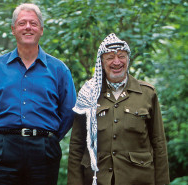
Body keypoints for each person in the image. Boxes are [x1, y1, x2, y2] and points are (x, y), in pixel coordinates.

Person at [0, 3, 76, 185]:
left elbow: (69, 112)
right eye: (22, 23)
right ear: (13, 29)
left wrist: (49, 138)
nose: (28, 27)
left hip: (44, 151)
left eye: (33, 23)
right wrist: (3, 137)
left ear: (41, 30)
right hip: (3, 150)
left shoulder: (59, 70)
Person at [67, 33, 170, 185]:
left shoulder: (147, 93)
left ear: (128, 59)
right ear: (101, 62)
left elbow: (159, 144)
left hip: (138, 180)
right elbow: (77, 146)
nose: (116, 62)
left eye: (121, 56)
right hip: (98, 180)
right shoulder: (88, 94)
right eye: (109, 58)